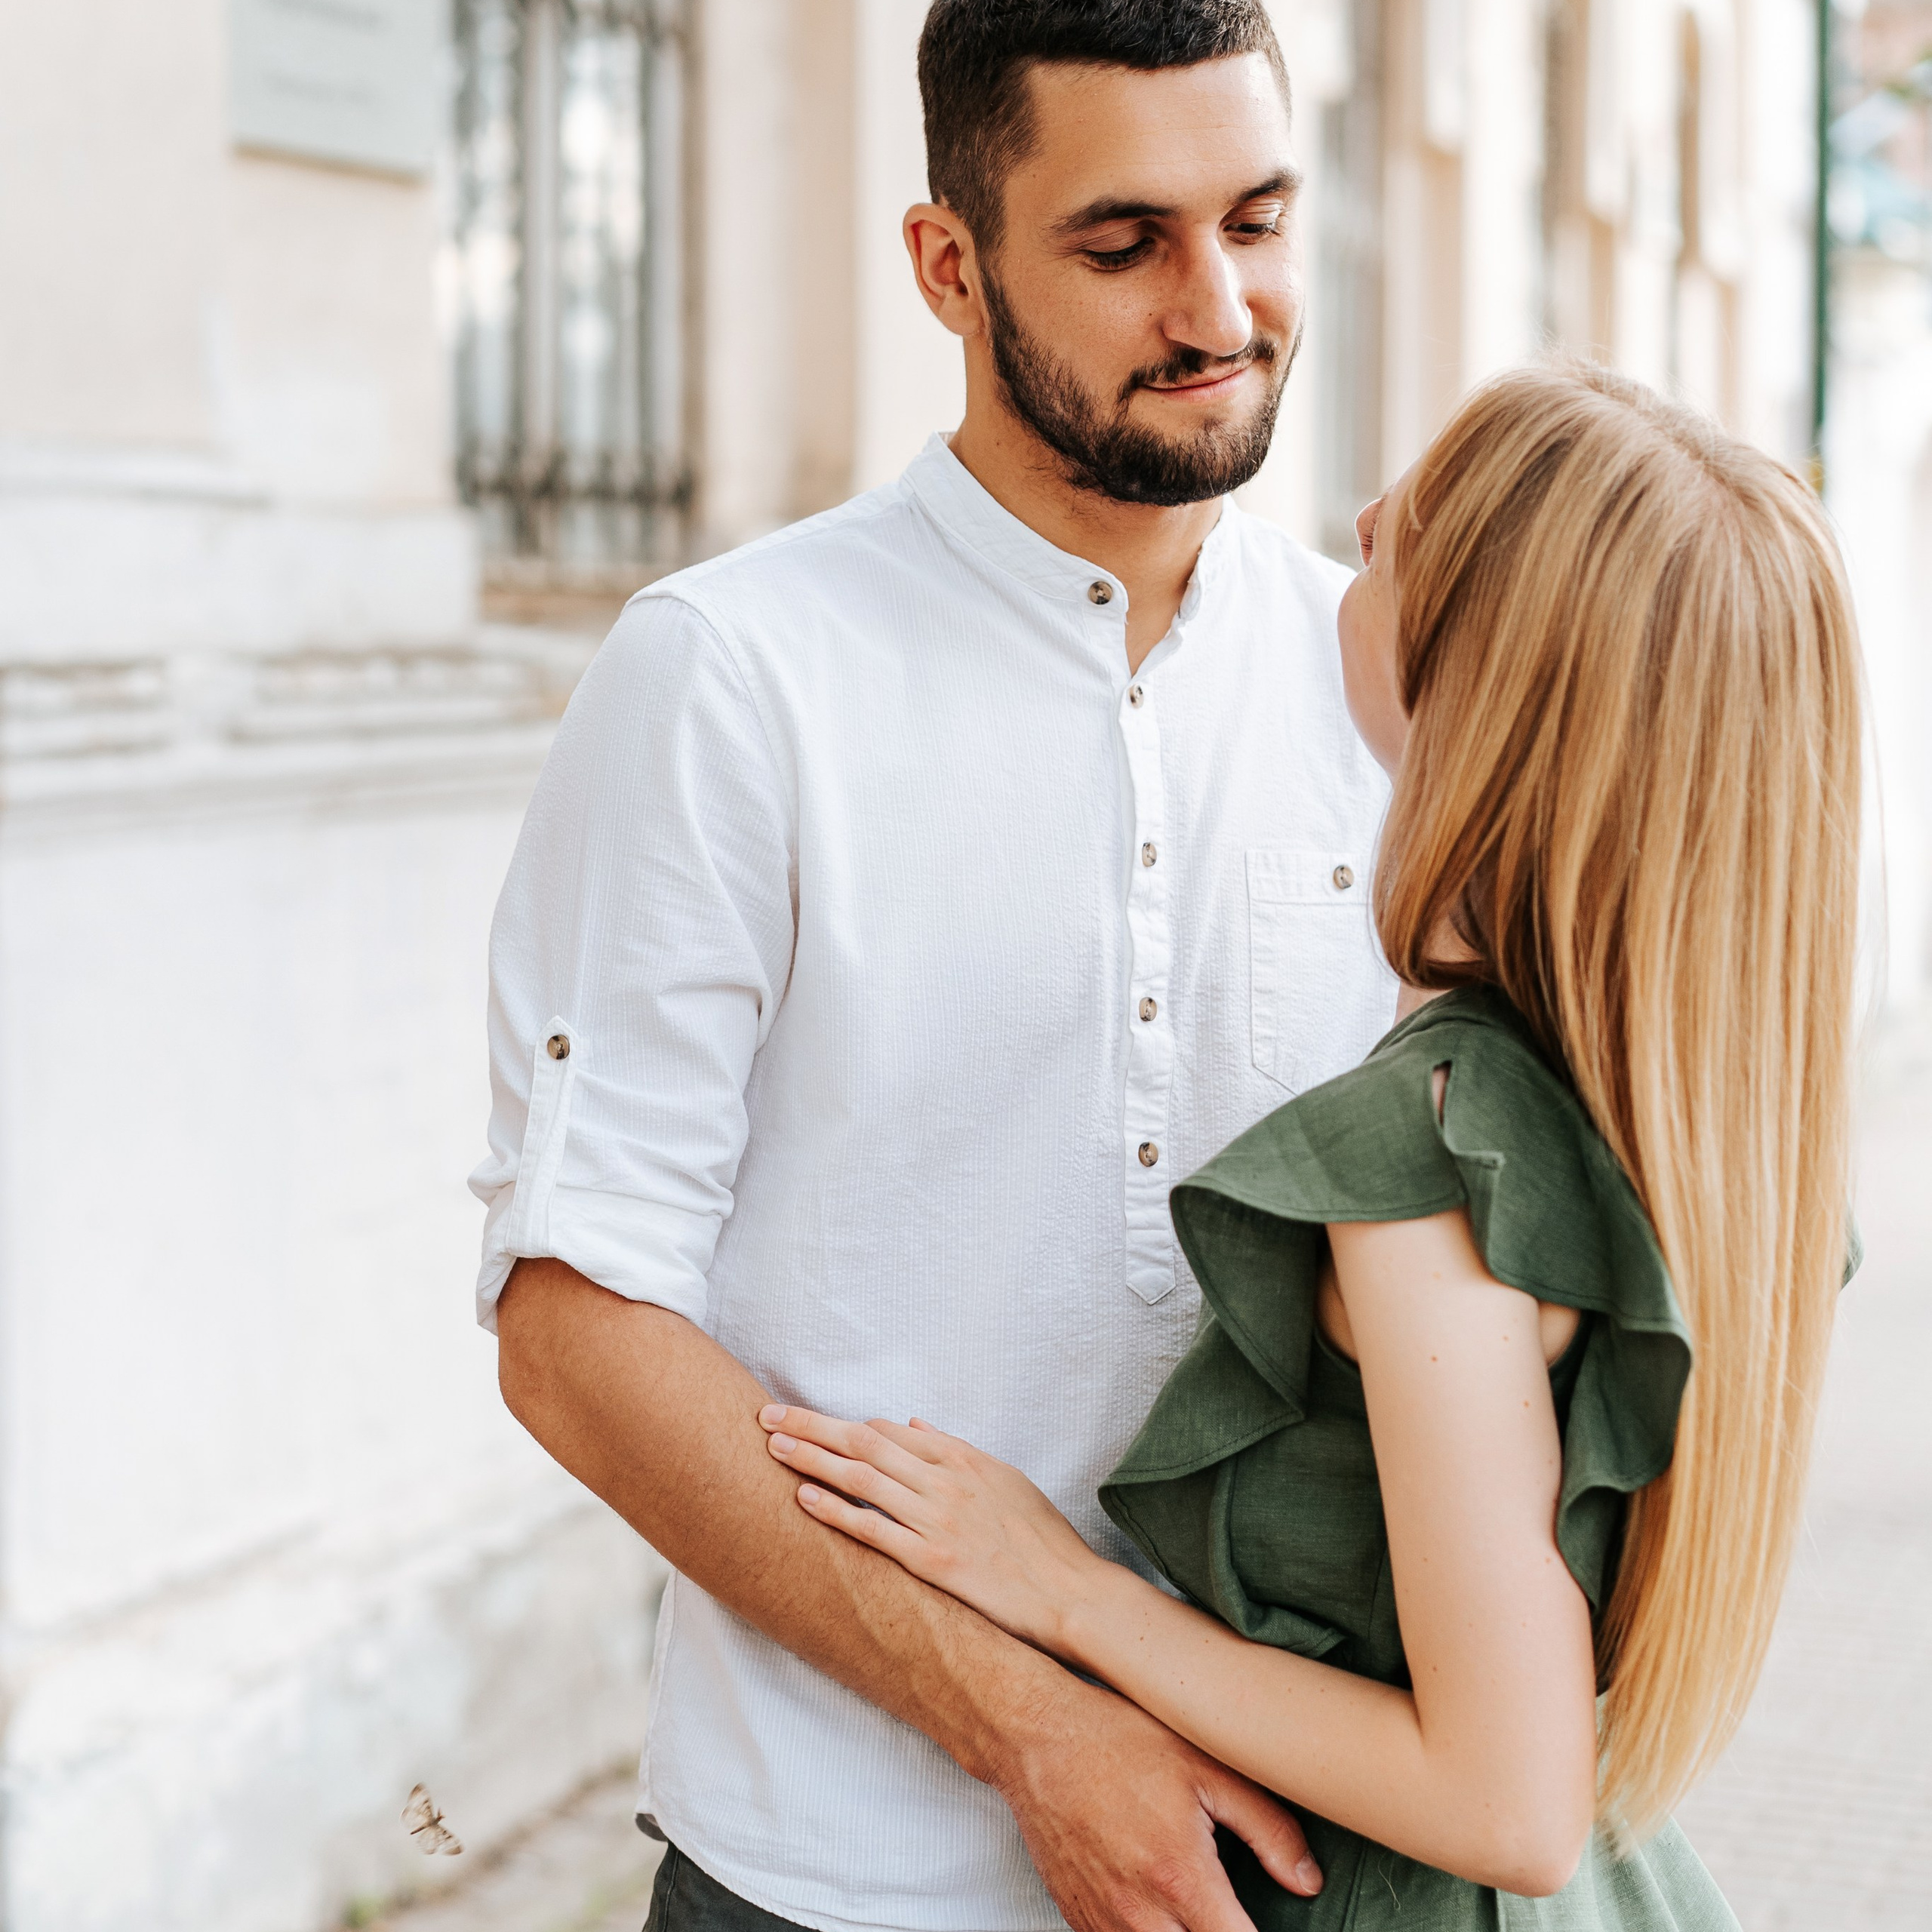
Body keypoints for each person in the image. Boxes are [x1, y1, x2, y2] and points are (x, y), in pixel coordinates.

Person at [475, 5, 1396, 1930]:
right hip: (831, 1869)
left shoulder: (1383, 683)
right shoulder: (733, 674)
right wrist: (1029, 1730)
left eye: (1255, 216)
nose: (1216, 303)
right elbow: (574, 1331)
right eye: (1121, 239)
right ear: (946, 264)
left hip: (1294, 1865)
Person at [754, 362, 1865, 1928]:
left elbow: (1506, 1799)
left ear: (1480, 671)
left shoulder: (1431, 1169)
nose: (1358, 519)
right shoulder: (1705, 1123)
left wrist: (1066, 1595)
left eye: (1413, 526)